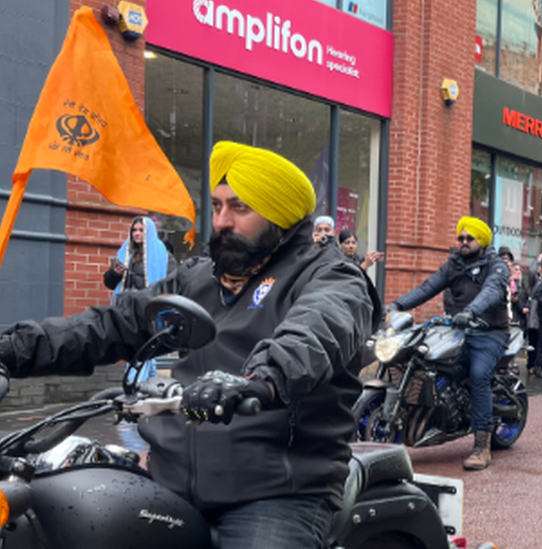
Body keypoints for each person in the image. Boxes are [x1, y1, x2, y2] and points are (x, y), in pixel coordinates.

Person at [0, 141, 378, 548]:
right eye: (216, 207)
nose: (221, 221)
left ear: (280, 215)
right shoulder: (198, 279)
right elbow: (113, 324)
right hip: (173, 479)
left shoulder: (331, 276)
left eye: (240, 208)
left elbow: (317, 331)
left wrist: (258, 380)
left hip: (276, 491)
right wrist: (12, 348)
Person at [387, 216, 509, 470]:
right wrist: (397, 304)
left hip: (489, 333)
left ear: (482, 241)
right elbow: (428, 287)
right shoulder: (453, 265)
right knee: (423, 360)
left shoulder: (497, 266)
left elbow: (493, 291)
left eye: (469, 239)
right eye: (460, 238)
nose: (463, 243)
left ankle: (482, 446)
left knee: (478, 374)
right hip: (456, 330)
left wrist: (472, 311)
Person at [103, 216, 178, 383]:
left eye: (141, 230)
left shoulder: (163, 255)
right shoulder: (125, 253)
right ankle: (144, 384)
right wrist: (115, 274)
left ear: (149, 232)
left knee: (144, 349)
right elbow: (109, 283)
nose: (137, 234)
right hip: (126, 310)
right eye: (134, 230)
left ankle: (136, 384)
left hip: (148, 310)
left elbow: (172, 283)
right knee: (136, 350)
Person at [520, 254, 542, 370]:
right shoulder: (536, 280)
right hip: (535, 314)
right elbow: (531, 272)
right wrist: (538, 261)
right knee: (533, 340)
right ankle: (531, 365)